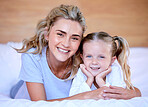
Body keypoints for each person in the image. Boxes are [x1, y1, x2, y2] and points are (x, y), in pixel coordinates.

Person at [10, 4, 141, 101]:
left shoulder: (87, 58)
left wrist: (131, 93)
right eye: (60, 34)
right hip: (21, 92)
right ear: (47, 34)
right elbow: (40, 104)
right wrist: (87, 96)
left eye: (74, 38)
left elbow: (133, 91)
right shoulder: (32, 56)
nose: (66, 44)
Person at [69, 32, 134, 97]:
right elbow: (73, 97)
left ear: (112, 60)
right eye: (89, 56)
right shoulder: (82, 71)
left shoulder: (115, 70)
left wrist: (100, 80)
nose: (94, 62)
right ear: (82, 57)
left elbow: (116, 96)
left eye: (101, 57)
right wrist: (89, 79)